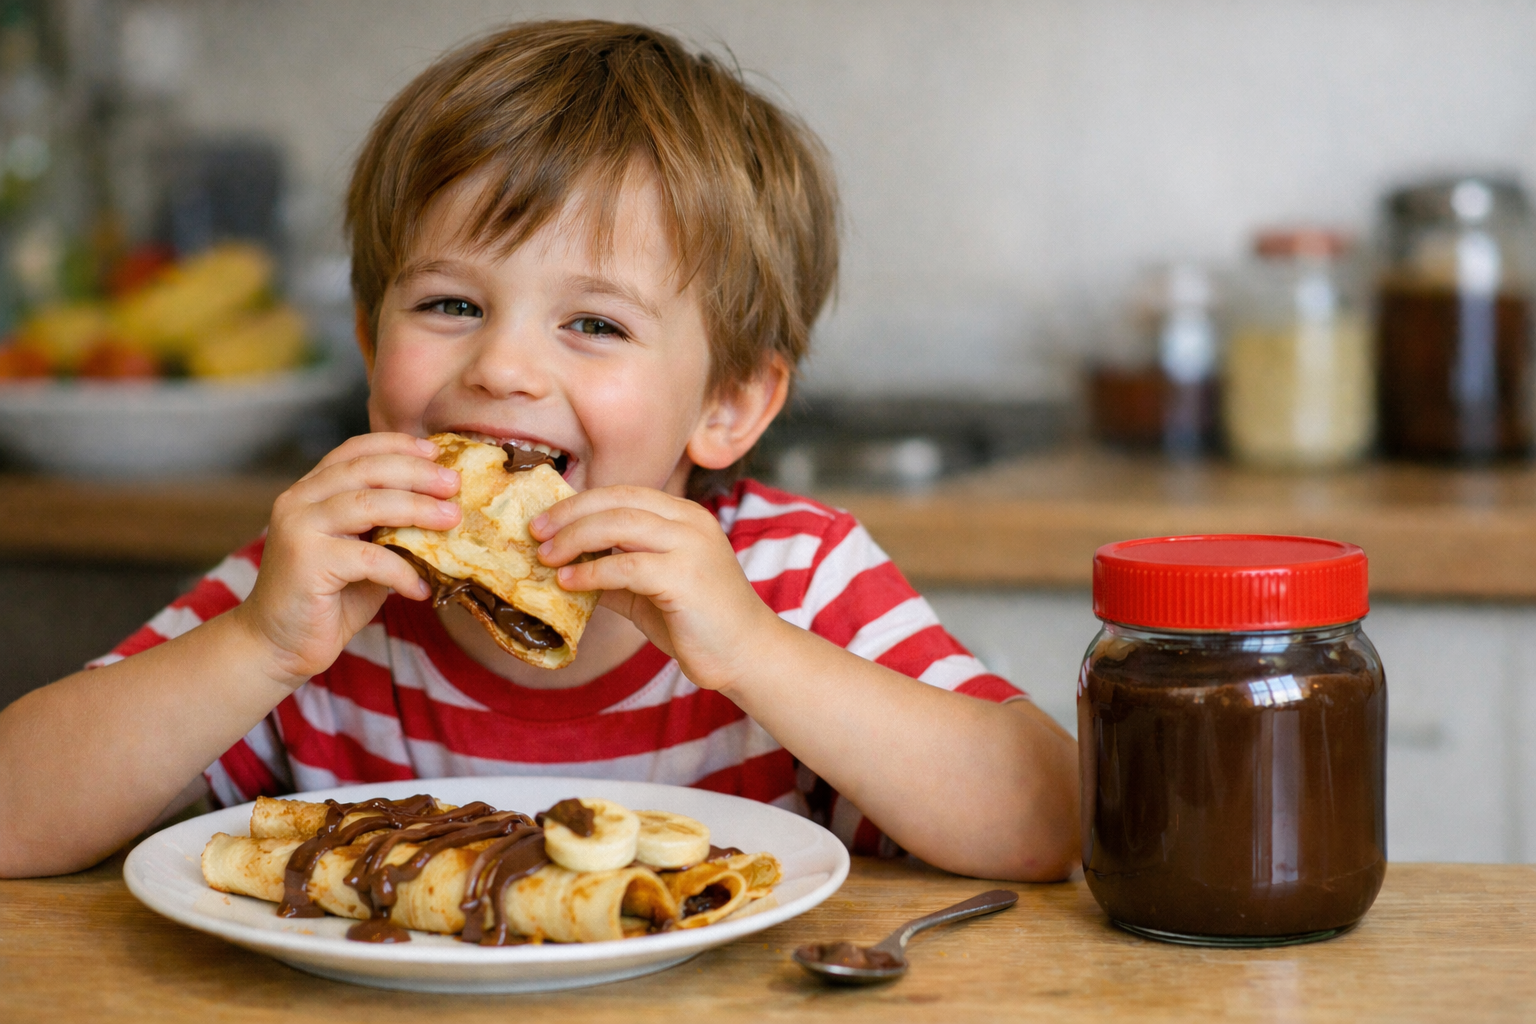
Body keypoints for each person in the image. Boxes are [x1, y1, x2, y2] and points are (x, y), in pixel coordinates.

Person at [0, 20, 1077, 881]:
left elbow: (1048, 819)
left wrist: (753, 649)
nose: (503, 368)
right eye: (452, 303)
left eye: (594, 324)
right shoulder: (321, 586)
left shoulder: (790, 577)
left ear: (732, 403)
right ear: (374, 349)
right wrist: (256, 648)